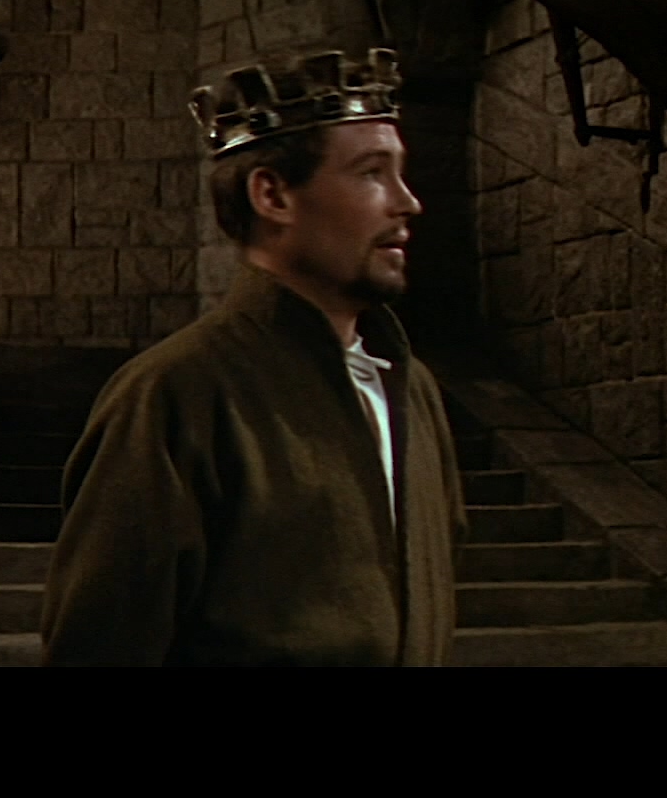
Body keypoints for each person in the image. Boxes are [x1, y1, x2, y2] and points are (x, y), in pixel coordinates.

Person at [40, 48, 466, 666]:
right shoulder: (176, 392)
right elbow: (100, 647)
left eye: (401, 172)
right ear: (273, 195)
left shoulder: (411, 387)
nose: (407, 203)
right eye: (372, 173)